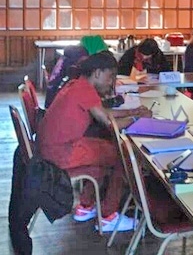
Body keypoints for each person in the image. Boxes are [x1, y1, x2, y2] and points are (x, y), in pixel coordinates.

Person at [37, 52, 152, 232]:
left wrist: (133, 112)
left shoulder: (77, 84)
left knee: (102, 155)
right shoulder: (84, 89)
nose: (111, 82)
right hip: (61, 152)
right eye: (110, 76)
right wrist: (138, 120)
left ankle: (85, 206)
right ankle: (108, 215)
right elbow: (109, 124)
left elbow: (102, 113)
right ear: (97, 73)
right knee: (122, 156)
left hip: (50, 149)